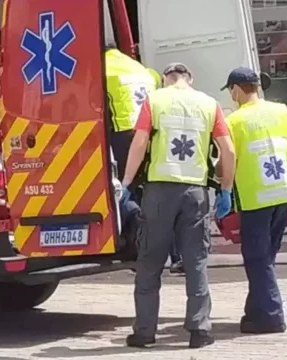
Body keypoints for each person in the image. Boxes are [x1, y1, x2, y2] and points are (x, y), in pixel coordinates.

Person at [119, 63, 236, 348]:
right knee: (195, 261)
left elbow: (140, 142)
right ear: (190, 78)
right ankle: (200, 332)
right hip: (195, 192)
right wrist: (226, 188)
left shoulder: (155, 100)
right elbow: (228, 149)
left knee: (150, 263)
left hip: (159, 191)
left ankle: (145, 332)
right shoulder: (209, 104)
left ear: (164, 80)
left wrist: (125, 182)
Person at [217, 66, 287, 334]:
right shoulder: (282, 111)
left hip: (256, 198)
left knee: (257, 258)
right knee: (264, 257)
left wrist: (224, 190)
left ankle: (271, 316)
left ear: (235, 90)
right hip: (282, 193)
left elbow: (228, 158)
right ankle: (255, 312)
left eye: (231, 90)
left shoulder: (233, 121)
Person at [105, 43, 158, 181]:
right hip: (151, 132)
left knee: (123, 184)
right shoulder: (137, 66)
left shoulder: (101, 66)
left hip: (124, 134)